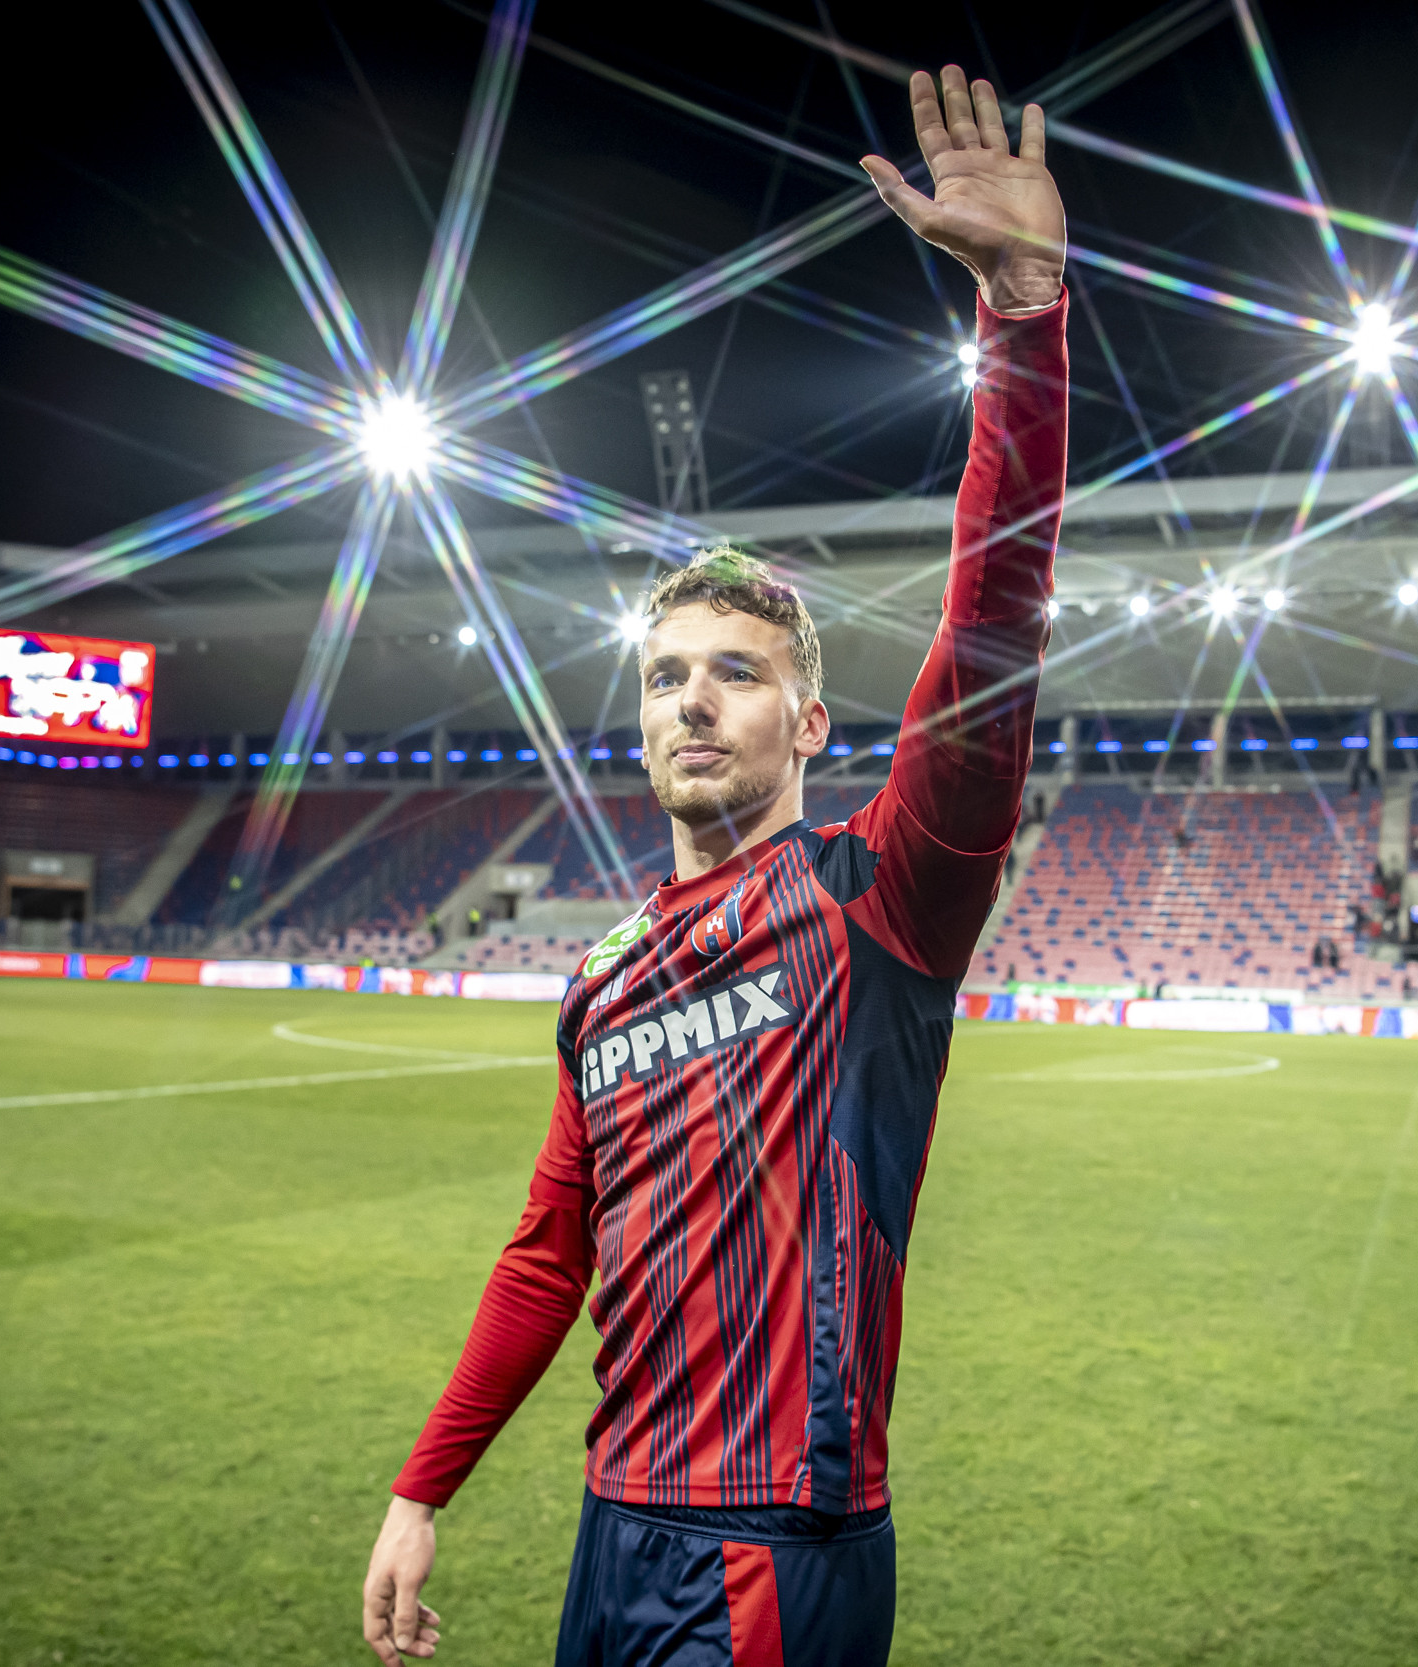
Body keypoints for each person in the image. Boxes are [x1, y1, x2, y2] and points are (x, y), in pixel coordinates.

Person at [361, 65, 1069, 1667]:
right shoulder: (604, 978)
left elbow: (995, 630)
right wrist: (422, 1487)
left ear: (808, 721)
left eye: (737, 673)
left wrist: (1024, 326)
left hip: (777, 1546)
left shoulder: (880, 894)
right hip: (612, 1532)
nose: (693, 699)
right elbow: (550, 1252)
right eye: (667, 674)